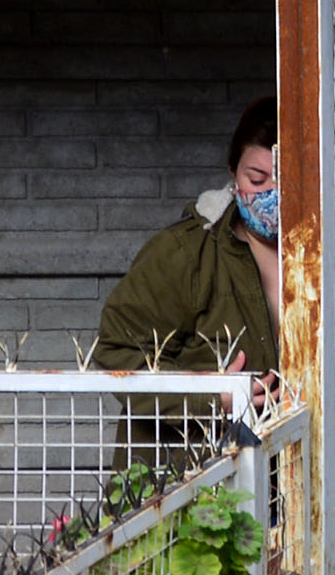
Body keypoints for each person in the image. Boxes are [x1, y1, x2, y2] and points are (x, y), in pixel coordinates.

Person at [97, 96, 281, 383]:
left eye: (288, 179)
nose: (274, 193)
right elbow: (118, 350)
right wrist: (210, 396)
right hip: (209, 416)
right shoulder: (186, 252)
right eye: (257, 180)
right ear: (233, 175)